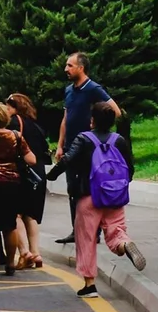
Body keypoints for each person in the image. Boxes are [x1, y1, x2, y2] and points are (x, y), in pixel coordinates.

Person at [47, 102, 144, 297]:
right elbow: (130, 168)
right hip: (114, 196)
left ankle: (89, 284)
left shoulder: (84, 139)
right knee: (116, 231)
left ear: (92, 120)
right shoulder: (119, 141)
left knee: (86, 239)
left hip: (88, 196)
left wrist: (51, 175)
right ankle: (125, 244)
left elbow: (67, 159)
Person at [54, 52, 122, 244]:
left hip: (89, 148)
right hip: (70, 147)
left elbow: (115, 111)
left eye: (69, 65)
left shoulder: (93, 89)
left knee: (89, 190)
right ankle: (77, 230)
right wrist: (60, 145)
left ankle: (93, 231)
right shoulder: (69, 90)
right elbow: (66, 119)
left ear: (81, 68)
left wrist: (98, 129)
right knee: (72, 189)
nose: (66, 69)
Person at [0, 101, 37, 280]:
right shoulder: (16, 136)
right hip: (12, 184)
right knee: (10, 225)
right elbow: (32, 160)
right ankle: (10, 264)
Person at [6, 93, 51, 269]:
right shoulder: (36, 125)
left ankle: (25, 252)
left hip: (22, 172)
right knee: (31, 216)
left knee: (15, 214)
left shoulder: (14, 123)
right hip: (38, 174)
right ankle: (36, 253)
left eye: (8, 106)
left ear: (15, 107)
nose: (6, 110)